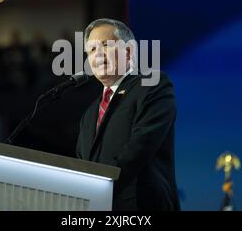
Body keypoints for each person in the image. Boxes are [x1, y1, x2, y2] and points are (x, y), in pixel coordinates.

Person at [76, 18, 180, 211]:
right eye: (91, 50)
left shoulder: (152, 87)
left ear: (129, 51)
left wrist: (98, 189)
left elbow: (139, 148)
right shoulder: (90, 114)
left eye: (105, 45)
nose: (97, 54)